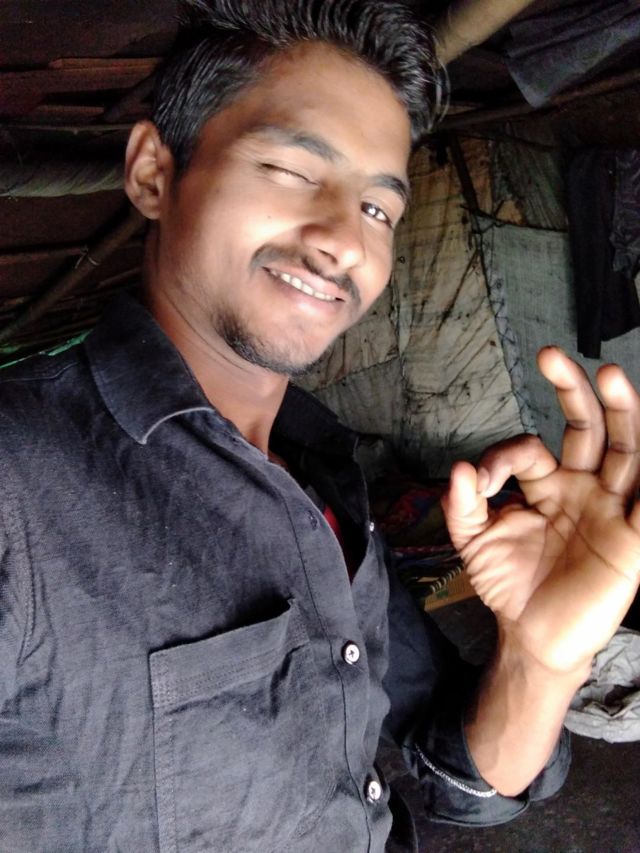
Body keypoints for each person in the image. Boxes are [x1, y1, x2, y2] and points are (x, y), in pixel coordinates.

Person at [1, 1, 639, 850]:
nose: (345, 240)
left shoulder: (323, 473)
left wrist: (542, 658)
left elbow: (457, 774)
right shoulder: (18, 479)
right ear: (154, 172)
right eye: (294, 170)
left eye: (378, 209)